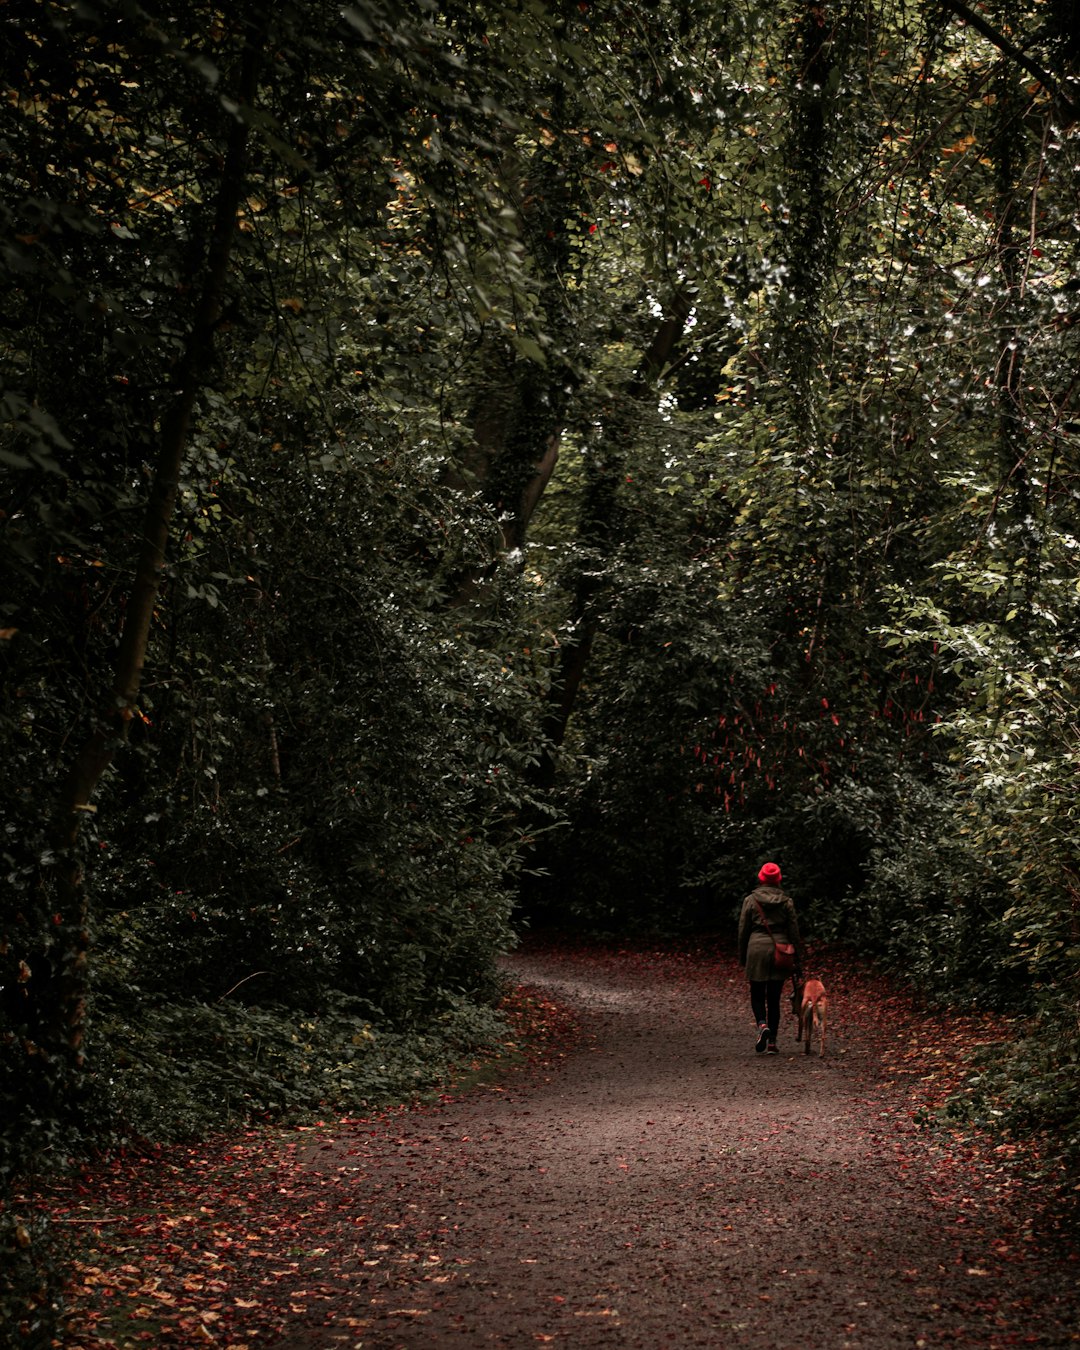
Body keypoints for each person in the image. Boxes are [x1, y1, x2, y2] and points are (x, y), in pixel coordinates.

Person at [737, 861, 805, 1054]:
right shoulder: (786, 901)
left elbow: (743, 930)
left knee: (757, 994)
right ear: (778, 879)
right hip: (780, 950)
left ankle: (762, 1025)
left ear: (761, 878)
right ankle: (773, 1042)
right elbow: (794, 930)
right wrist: (797, 957)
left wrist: (743, 956)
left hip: (756, 949)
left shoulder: (751, 900)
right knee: (774, 997)